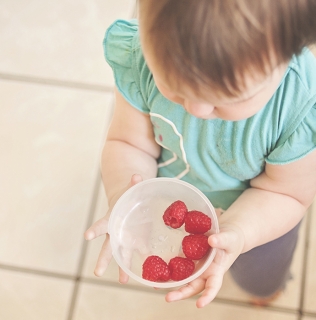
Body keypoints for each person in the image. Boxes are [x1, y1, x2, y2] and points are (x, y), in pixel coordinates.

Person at [84, 0, 316, 308]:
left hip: (260, 218)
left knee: (260, 275)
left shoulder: (298, 107)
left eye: (227, 98)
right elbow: (129, 144)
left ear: (288, 56)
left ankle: (265, 290)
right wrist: (124, 197)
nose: (196, 109)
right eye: (173, 84)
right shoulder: (140, 60)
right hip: (174, 193)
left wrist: (240, 231)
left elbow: (287, 194)